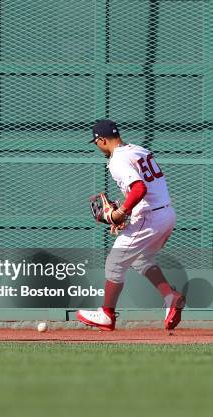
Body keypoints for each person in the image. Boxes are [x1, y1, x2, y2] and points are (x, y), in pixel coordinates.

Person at [77, 120, 185, 331]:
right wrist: (127, 210)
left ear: (101, 140)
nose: (98, 147)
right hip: (166, 214)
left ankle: (107, 315)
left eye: (96, 142)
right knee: (140, 259)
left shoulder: (117, 160)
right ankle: (170, 296)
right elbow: (148, 187)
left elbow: (139, 189)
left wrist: (120, 212)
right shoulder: (139, 150)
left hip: (150, 217)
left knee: (114, 263)